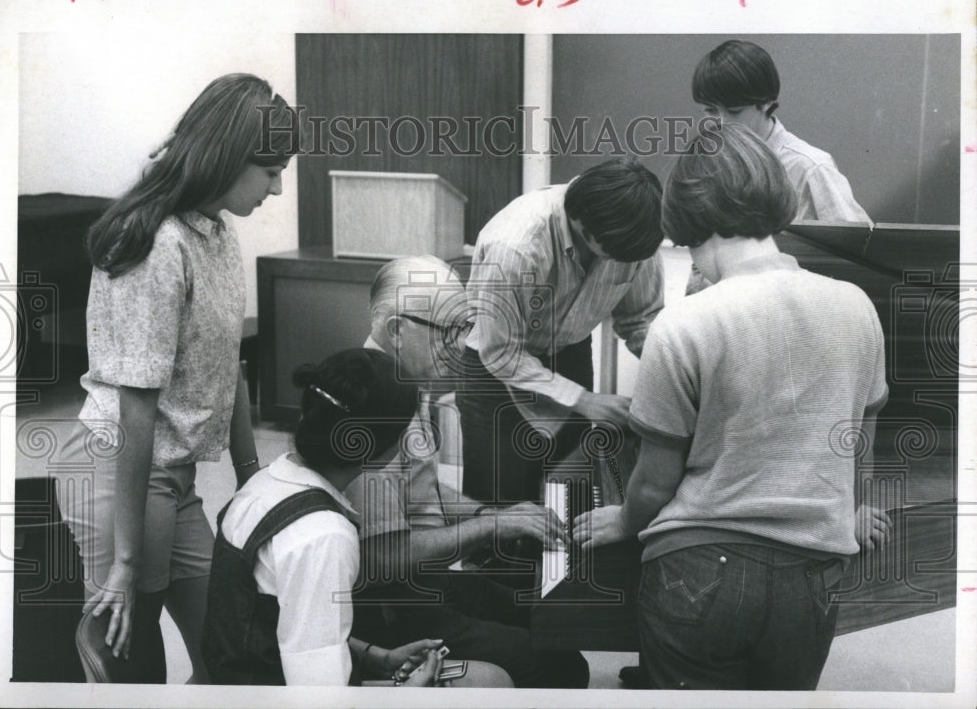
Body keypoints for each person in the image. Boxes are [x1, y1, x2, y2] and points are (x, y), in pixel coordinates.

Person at [573, 123, 891, 690]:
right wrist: (848, 511)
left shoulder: (684, 324)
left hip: (699, 568)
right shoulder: (859, 307)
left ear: (689, 219)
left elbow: (652, 484)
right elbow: (856, 448)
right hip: (814, 574)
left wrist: (623, 520)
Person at [57, 73, 293, 683]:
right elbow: (138, 409)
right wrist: (127, 562)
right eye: (269, 171)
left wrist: (250, 484)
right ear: (225, 158)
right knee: (134, 673)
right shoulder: (159, 243)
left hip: (172, 476)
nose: (278, 186)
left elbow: (229, 361)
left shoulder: (214, 228)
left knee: (229, 653)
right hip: (122, 469)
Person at [343, 256, 589, 689]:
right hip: (396, 606)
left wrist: (490, 513)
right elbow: (386, 557)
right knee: (563, 667)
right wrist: (491, 525)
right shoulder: (372, 408)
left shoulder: (402, 380)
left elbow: (418, 491)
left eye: (465, 328)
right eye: (448, 331)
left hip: (427, 581)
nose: (460, 344)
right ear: (398, 330)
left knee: (545, 615)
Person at [202, 348, 512, 688]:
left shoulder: (266, 484)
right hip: (271, 697)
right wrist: (411, 691)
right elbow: (319, 693)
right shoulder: (324, 535)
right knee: (493, 682)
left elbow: (285, 622)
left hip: (251, 678)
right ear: (381, 447)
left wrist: (374, 657)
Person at [459, 158, 665, 506]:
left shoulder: (635, 234)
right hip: (495, 367)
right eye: (613, 256)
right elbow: (501, 353)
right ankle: (502, 561)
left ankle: (560, 559)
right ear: (583, 227)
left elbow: (640, 319)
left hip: (570, 353)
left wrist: (675, 372)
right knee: (501, 508)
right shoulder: (515, 246)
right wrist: (585, 401)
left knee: (569, 492)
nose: (621, 264)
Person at [686, 39, 873, 295]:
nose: (719, 123)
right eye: (709, 111)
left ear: (765, 102)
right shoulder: (712, 164)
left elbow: (861, 256)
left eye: (733, 110)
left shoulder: (810, 168)